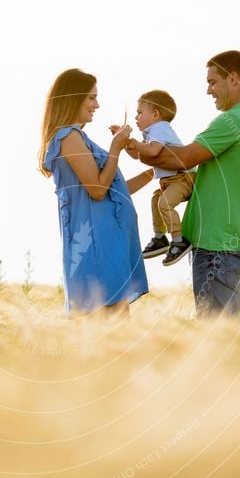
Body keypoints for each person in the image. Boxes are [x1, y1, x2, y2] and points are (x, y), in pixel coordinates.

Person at [139, 51, 240, 317]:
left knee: (215, 339)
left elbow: (182, 159)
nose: (208, 90)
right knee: (218, 338)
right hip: (222, 243)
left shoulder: (233, 120)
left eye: (212, 82)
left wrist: (135, 148)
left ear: (233, 79)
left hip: (219, 246)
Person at [38, 68, 149, 314]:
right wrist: (115, 148)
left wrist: (154, 174)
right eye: (91, 98)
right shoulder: (69, 137)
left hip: (104, 245)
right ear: (72, 98)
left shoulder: (78, 138)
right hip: (93, 247)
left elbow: (114, 192)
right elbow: (98, 190)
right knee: (109, 328)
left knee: (115, 330)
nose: (97, 105)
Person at [113, 90, 196, 266]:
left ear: (156, 114)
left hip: (182, 178)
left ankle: (179, 240)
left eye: (139, 112)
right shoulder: (152, 131)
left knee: (164, 204)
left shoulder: (160, 128)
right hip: (171, 180)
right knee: (156, 199)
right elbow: (138, 155)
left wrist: (135, 143)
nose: (136, 117)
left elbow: (153, 151)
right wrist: (127, 143)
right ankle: (160, 238)